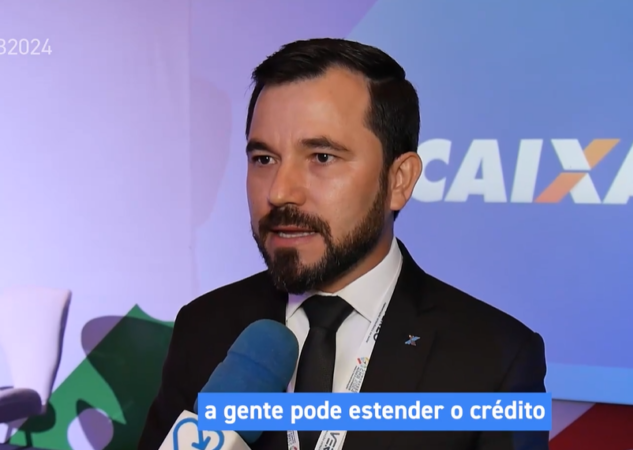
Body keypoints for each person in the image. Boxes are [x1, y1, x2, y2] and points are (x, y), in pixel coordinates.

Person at [138, 38, 548, 450]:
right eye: (264, 159)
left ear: (399, 180)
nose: (279, 192)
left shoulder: (496, 358)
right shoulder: (204, 328)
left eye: (321, 157)